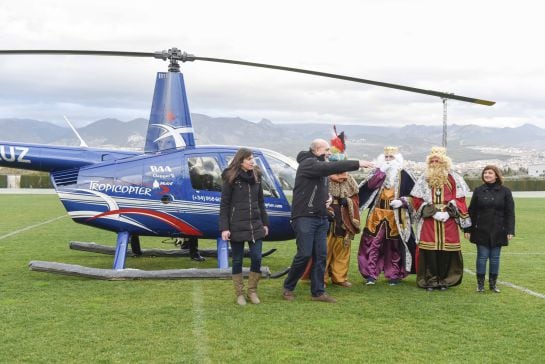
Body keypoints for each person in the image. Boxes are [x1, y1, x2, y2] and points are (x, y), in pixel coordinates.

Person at [282, 138, 373, 303]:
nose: (329, 153)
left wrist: (327, 199)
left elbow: (318, 188)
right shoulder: (308, 164)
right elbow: (330, 167)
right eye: (327, 150)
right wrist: (358, 163)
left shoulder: (319, 168)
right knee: (304, 254)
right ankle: (288, 287)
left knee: (321, 255)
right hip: (305, 217)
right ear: (317, 150)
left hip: (321, 217)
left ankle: (318, 292)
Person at [410, 146, 471, 291]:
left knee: (447, 251)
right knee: (429, 251)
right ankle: (429, 281)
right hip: (429, 219)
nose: (435, 163)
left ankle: (445, 280)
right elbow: (416, 199)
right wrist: (433, 212)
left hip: (448, 219)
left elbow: (460, 199)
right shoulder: (423, 179)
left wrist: (449, 212)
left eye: (438, 161)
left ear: (444, 162)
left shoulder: (454, 178)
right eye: (432, 161)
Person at [357, 146, 416, 286]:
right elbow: (370, 186)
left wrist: (402, 201)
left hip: (396, 215)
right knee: (372, 243)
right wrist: (380, 172)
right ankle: (371, 274)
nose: (389, 160)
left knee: (394, 245)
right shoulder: (378, 172)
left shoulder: (405, 175)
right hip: (377, 213)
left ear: (398, 159)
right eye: (386, 157)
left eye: (391, 157)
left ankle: (394, 274)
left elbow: (415, 196)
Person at [219, 148, 269, 305]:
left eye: (252, 158)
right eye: (249, 159)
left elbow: (261, 202)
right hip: (236, 225)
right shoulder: (231, 177)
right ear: (240, 161)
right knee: (237, 260)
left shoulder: (257, 176)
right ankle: (239, 293)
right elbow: (224, 204)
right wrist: (224, 228)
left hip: (256, 225)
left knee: (257, 257)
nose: (252, 161)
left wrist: (265, 223)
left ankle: (252, 291)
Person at [464, 165, 515, 293]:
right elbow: (472, 211)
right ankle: (480, 285)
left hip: (499, 229)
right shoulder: (478, 190)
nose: (487, 175)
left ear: (496, 175)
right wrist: (468, 229)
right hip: (481, 229)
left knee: (495, 258)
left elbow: (510, 212)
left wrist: (510, 230)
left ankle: (493, 285)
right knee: (482, 256)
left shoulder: (505, 191)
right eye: (485, 173)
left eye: (490, 173)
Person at [323, 130, 361, 288]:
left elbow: (356, 197)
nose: (342, 176)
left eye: (344, 172)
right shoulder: (323, 178)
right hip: (327, 217)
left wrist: (348, 202)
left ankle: (340, 277)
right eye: (338, 172)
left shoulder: (350, 180)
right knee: (324, 248)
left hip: (344, 216)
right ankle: (322, 277)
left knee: (342, 247)